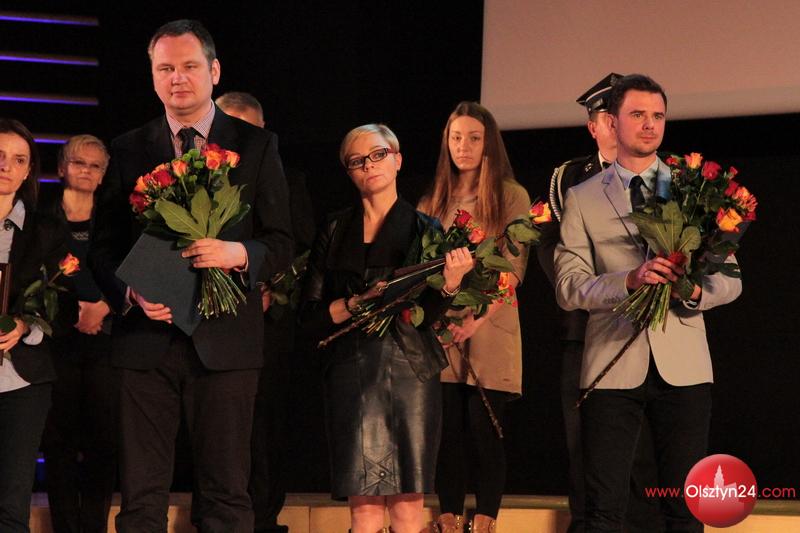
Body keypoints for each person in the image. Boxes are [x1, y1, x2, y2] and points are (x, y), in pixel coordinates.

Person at [88, 20, 293, 533]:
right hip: (145, 342)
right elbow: (103, 247)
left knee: (226, 495)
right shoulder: (128, 148)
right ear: (153, 76)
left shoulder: (257, 145)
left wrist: (236, 253)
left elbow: (282, 243)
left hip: (226, 343)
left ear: (214, 71)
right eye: (165, 68)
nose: (177, 78)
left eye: (188, 66)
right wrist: (130, 292)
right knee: (140, 498)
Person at [554, 74, 742, 532]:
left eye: (658, 115)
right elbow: (568, 286)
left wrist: (692, 291)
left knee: (685, 509)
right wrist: (629, 280)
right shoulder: (582, 197)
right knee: (603, 511)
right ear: (611, 123)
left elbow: (731, 281)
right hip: (612, 363)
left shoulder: (692, 189)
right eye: (637, 114)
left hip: (684, 367)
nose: (649, 124)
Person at [300, 123, 473, 533]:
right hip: (350, 369)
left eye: (378, 155)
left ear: (397, 160)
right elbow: (310, 314)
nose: (369, 166)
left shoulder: (426, 230)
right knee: (363, 510)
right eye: (357, 161)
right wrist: (353, 304)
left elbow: (428, 316)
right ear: (349, 172)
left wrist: (451, 284)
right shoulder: (334, 228)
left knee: (408, 509)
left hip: (410, 369)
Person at [537, 74, 662, 533]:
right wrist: (592, 291)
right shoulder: (571, 178)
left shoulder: (662, 179)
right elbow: (552, 249)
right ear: (595, 126)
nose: (616, 124)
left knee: (646, 451)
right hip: (588, 328)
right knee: (586, 446)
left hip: (652, 331)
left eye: (620, 115)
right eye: (606, 117)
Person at [418, 101, 531, 533]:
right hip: (443, 328)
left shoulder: (510, 195)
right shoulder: (432, 200)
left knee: (485, 430)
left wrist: (476, 321)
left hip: (490, 325)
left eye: (473, 138)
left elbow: (513, 269)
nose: (463, 146)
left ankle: (485, 521)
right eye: (456, 137)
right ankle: (447, 518)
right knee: (446, 432)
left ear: (489, 144)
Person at [216, 91, 315, 533]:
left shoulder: (288, 179)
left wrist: (274, 288)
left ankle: (264, 517)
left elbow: (303, 248)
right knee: (219, 424)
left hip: (267, 323)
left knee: (266, 422)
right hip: (212, 322)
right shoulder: (200, 177)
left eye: (246, 130)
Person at [0, 118, 78, 533]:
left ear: (29, 170)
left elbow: (65, 307)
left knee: (12, 506)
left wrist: (24, 326)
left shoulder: (46, 230)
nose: (6, 167)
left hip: (22, 381)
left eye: (18, 160)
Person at [39, 135, 118, 533]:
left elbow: (130, 270)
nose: (86, 171)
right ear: (61, 168)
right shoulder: (40, 215)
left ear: (103, 175)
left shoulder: (117, 220)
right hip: (57, 341)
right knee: (59, 442)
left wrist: (105, 306)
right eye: (78, 163)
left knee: (103, 441)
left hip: (107, 340)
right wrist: (78, 310)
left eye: (95, 166)